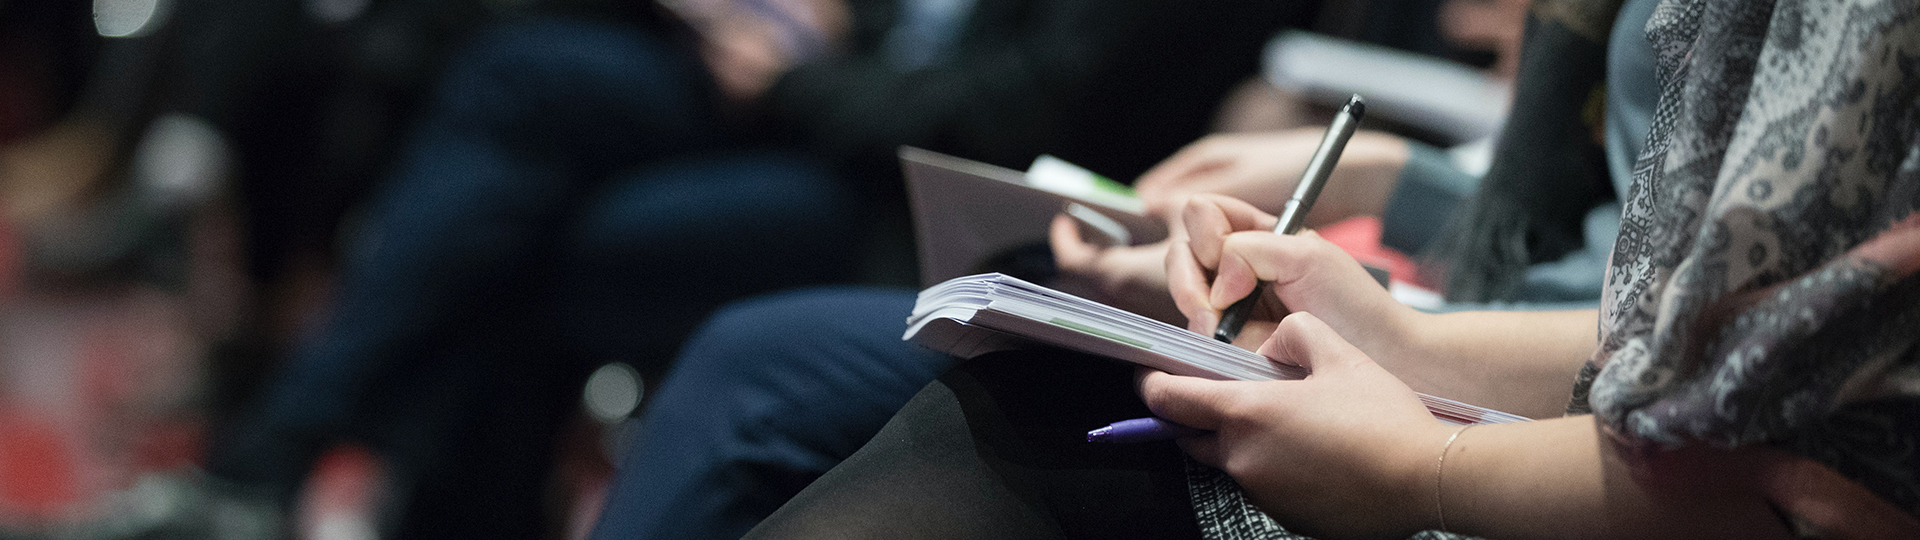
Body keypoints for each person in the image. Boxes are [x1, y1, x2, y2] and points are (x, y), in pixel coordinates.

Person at [738, 0, 1920, 538]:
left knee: (849, 387)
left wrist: (1430, 468)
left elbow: (1803, 446)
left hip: (1594, 477)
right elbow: (1672, 318)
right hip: (1547, 380)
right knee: (935, 381)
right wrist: (1393, 334)